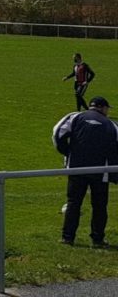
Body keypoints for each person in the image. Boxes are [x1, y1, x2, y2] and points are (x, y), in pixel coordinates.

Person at [53, 96, 118, 247]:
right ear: (103, 108)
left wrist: (67, 152)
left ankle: (67, 238)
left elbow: (57, 134)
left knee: (73, 203)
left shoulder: (75, 117)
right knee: (100, 206)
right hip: (101, 171)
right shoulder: (111, 125)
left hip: (77, 168)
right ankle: (98, 239)